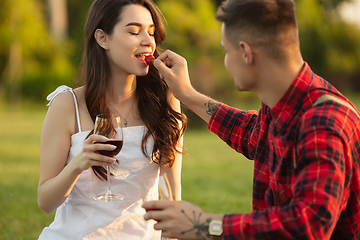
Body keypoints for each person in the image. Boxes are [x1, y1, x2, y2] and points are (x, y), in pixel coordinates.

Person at [142, 0, 360, 239]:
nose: (225, 61)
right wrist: (188, 94)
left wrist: (204, 225)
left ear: (246, 53)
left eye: (226, 50)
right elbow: (251, 135)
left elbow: (306, 226)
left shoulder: (325, 122)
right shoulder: (279, 105)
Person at [37, 0, 186, 239]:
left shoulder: (164, 101)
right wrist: (78, 164)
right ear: (102, 38)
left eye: (151, 32)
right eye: (134, 31)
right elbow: (45, 202)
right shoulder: (68, 104)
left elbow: (172, 193)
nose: (148, 41)